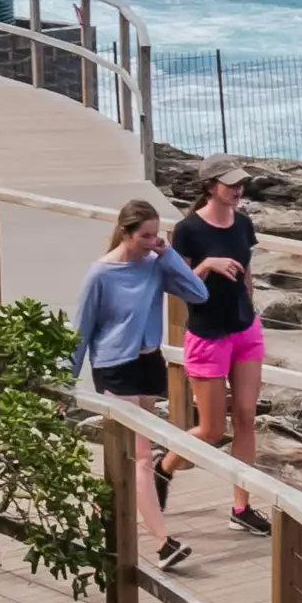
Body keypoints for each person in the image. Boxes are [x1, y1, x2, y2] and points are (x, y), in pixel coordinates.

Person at [73, 200, 204, 573]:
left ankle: (101, 512)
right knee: (143, 456)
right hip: (115, 366)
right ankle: (164, 544)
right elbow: (80, 331)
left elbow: (198, 293)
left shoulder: (155, 264)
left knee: (128, 455)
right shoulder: (100, 273)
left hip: (148, 363)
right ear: (126, 233)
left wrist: (169, 255)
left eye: (155, 235)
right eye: (145, 236)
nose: (151, 241)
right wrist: (65, 384)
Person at [175, 159, 269, 536]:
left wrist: (251, 307)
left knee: (246, 416)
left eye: (241, 183)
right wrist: (206, 266)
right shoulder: (188, 230)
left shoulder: (244, 224)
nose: (238, 189)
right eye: (230, 184)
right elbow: (178, 286)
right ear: (210, 186)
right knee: (211, 429)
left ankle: (241, 506)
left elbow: (247, 274)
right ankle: (164, 470)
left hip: (245, 329)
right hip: (207, 333)